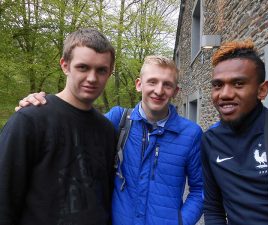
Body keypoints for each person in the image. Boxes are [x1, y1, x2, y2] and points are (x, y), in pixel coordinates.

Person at [17, 55, 204, 225]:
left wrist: (181, 222)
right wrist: (43, 107)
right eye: (152, 82)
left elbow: (200, 189)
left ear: (176, 91)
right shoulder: (118, 120)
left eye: (167, 84)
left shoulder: (191, 134)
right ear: (139, 84)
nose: (158, 90)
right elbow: (75, 125)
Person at [0, 28, 117, 225]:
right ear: (65, 65)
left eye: (101, 70)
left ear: (109, 72)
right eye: (83, 67)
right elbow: (4, 198)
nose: (92, 78)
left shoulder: (107, 130)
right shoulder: (30, 120)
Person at [201, 39, 268, 224]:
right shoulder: (210, 140)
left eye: (238, 84)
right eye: (217, 85)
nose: (225, 94)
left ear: (262, 90)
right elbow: (213, 207)